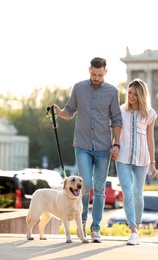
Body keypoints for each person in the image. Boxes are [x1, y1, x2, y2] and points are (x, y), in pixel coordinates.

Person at [52, 57, 122, 242]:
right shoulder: (79, 87)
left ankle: (96, 229)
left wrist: (116, 144)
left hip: (102, 147)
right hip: (82, 145)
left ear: (105, 72)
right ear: (89, 70)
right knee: (84, 186)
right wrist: (60, 113)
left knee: (99, 189)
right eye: (93, 74)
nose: (96, 78)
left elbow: (116, 120)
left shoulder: (113, 92)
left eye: (100, 75)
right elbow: (69, 110)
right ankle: (81, 225)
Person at [110, 78, 157, 245]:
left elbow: (150, 139)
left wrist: (152, 162)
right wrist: (114, 146)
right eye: (129, 93)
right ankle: (133, 231)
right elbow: (115, 131)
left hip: (143, 159)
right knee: (127, 194)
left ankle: (137, 228)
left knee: (138, 194)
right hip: (122, 158)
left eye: (135, 94)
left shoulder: (149, 113)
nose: (131, 96)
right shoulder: (120, 111)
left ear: (141, 96)